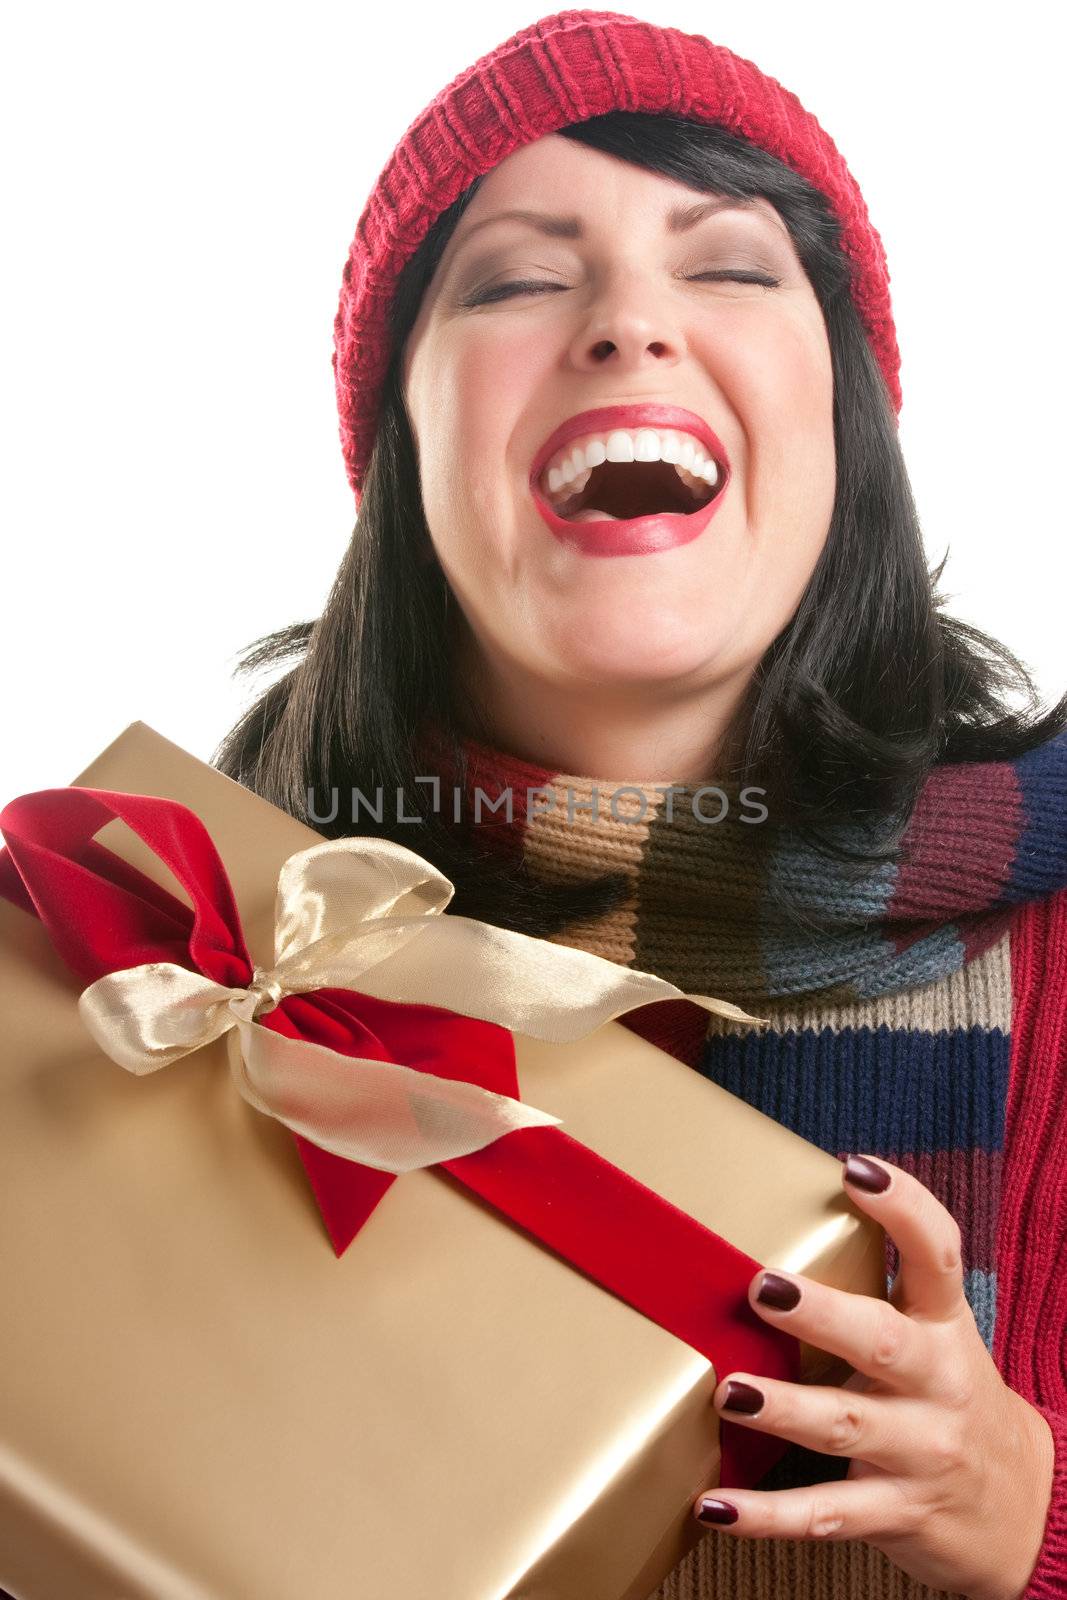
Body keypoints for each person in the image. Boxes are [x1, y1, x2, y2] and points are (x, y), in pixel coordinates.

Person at [212, 11, 1067, 1598]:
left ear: (844, 418)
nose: (626, 324)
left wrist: (1028, 1512)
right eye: (522, 277)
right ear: (404, 442)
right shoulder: (168, 967)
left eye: (730, 265)